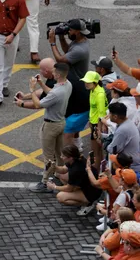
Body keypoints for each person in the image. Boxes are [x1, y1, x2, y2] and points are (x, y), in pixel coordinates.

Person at [17, 63, 72, 193]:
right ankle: (59, 173)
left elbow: (38, 104)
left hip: (51, 125)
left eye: (54, 72)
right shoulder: (68, 84)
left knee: (48, 156)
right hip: (61, 122)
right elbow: (52, 92)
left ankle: (45, 182)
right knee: (59, 153)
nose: (52, 73)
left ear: (58, 75)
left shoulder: (57, 93)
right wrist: (41, 84)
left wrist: (31, 90)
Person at [49, 19, 91, 147]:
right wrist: (61, 38)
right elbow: (68, 51)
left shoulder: (81, 49)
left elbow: (61, 60)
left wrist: (52, 43)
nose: (69, 32)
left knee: (71, 113)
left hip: (76, 87)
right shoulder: (79, 42)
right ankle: (77, 140)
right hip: (75, 82)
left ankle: (74, 144)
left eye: (71, 30)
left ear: (78, 32)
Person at [47, 144, 101, 215]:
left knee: (60, 197)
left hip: (91, 192)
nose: (61, 157)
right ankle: (79, 196)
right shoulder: (76, 159)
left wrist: (54, 187)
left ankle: (88, 204)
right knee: (60, 175)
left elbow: (69, 188)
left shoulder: (76, 170)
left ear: (70, 157)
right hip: (88, 185)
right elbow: (63, 170)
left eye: (63, 156)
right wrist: (54, 167)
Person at [107, 102, 140, 173]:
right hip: (132, 162)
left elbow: (113, 150)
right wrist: (102, 136)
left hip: (130, 168)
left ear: (115, 116)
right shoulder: (127, 123)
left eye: (110, 113)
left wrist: (104, 143)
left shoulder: (122, 129)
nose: (108, 115)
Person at [82, 71, 108, 156]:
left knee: (95, 149)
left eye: (88, 82)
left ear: (95, 82)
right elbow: (93, 109)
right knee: (96, 149)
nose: (86, 83)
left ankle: (96, 167)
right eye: (85, 81)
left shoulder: (99, 94)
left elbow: (102, 114)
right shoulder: (92, 90)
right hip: (93, 122)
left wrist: (99, 129)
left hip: (97, 124)